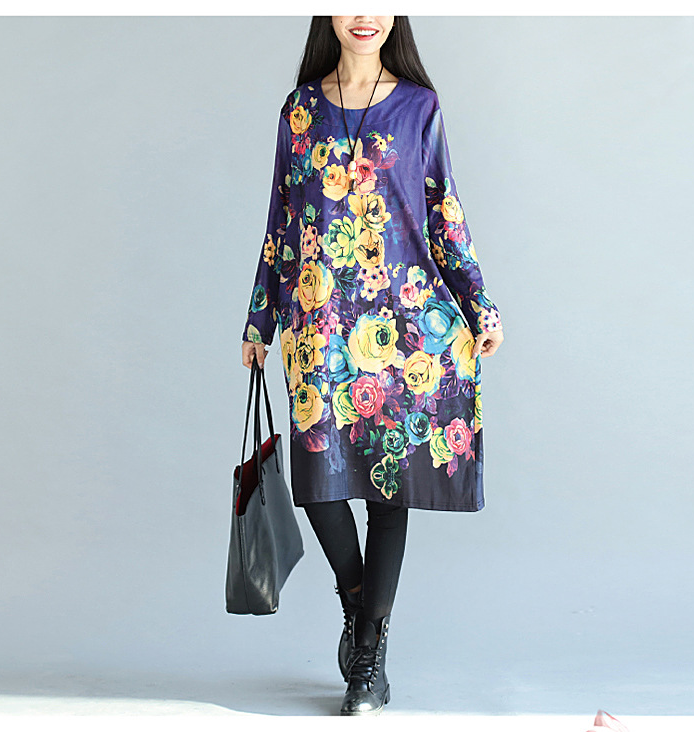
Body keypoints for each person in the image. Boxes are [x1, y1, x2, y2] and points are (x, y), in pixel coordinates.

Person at [240, 15, 504, 716]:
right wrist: (260, 319)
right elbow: (281, 218)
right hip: (321, 325)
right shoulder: (301, 109)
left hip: (406, 323)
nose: (365, 13)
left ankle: (369, 657)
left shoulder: (419, 106)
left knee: (389, 490)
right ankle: (359, 609)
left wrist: (479, 304)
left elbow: (444, 213)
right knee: (319, 487)